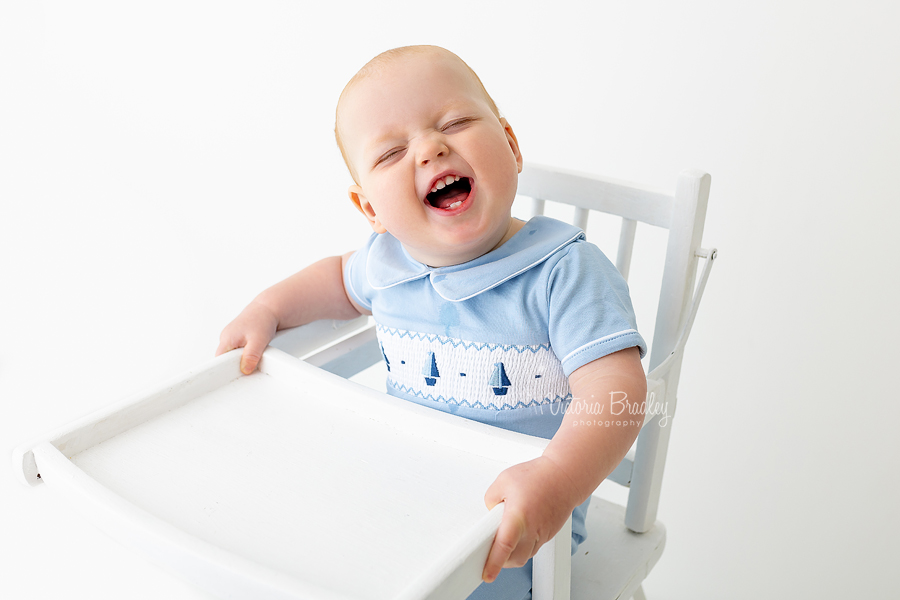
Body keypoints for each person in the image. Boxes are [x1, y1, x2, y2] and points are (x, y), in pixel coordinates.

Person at [216, 45, 648, 599]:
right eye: (392, 152)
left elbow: (618, 392)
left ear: (511, 146)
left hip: (516, 519)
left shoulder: (563, 272)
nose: (430, 149)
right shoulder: (386, 262)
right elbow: (332, 282)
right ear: (370, 208)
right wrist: (267, 308)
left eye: (456, 123)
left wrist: (557, 481)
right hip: (405, 491)